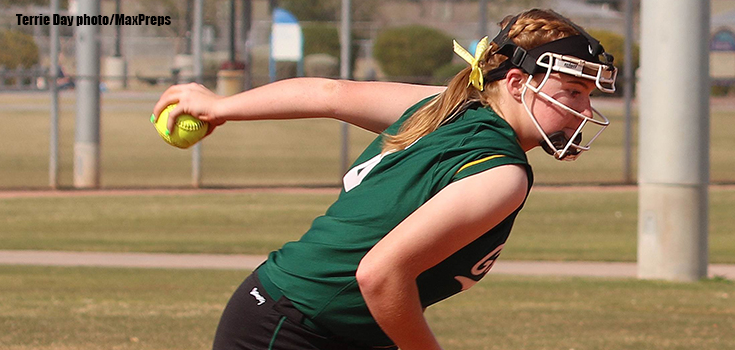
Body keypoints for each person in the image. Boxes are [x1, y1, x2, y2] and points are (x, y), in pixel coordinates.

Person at [152, 8, 617, 350]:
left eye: (588, 96)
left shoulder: (447, 107)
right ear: (517, 83)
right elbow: (380, 275)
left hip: (318, 325)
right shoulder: (501, 174)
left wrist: (223, 107)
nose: (584, 110)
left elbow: (330, 94)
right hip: (293, 330)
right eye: (572, 92)